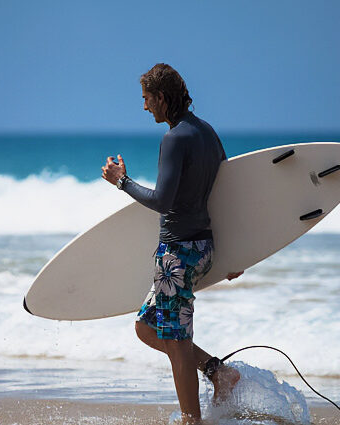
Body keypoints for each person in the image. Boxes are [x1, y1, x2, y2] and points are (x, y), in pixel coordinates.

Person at [101, 63, 243, 424]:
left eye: (147, 99)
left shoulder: (175, 138)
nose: (145, 106)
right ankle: (216, 371)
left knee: (177, 345)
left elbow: (163, 201)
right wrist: (236, 254)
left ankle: (190, 420)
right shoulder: (208, 133)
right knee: (147, 327)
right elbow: (227, 192)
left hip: (177, 254)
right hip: (202, 249)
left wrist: (122, 182)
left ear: (162, 98)